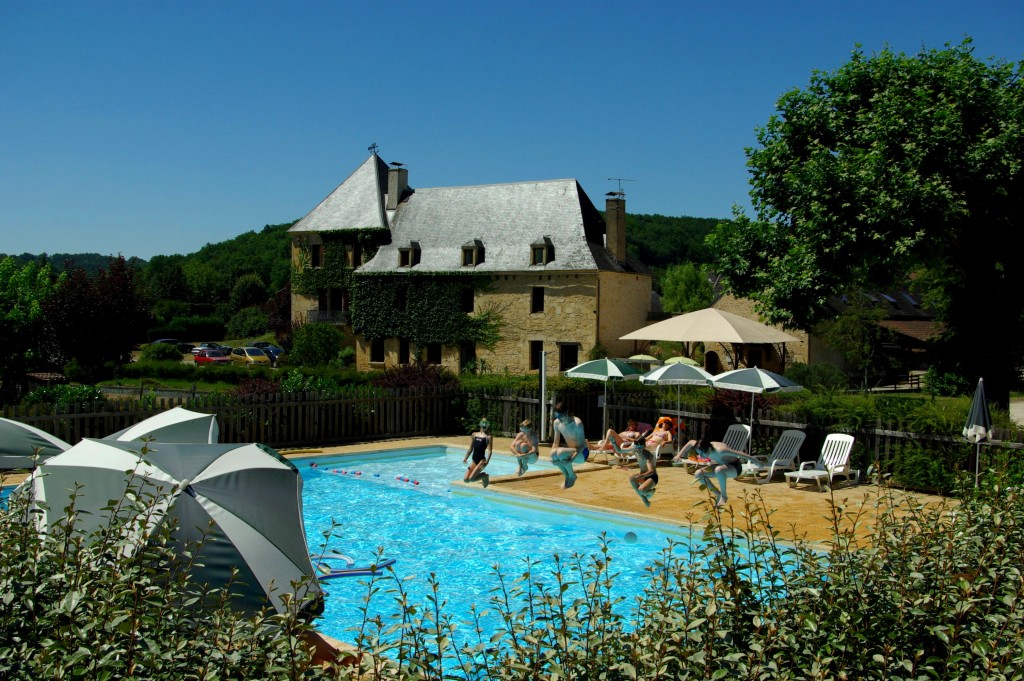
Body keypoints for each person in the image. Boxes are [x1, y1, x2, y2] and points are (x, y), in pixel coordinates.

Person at [688, 428, 758, 507]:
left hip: (735, 467)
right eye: (699, 453)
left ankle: (724, 496)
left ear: (709, 449)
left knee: (719, 469)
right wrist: (679, 455)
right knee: (698, 474)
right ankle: (717, 493)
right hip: (721, 466)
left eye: (702, 453)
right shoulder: (702, 445)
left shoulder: (721, 450)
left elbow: (741, 454)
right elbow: (691, 442)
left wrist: (758, 462)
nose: (701, 456)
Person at [550, 402, 586, 490]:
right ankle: (567, 476)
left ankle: (572, 475)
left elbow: (582, 446)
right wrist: (552, 457)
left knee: (561, 453)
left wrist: (571, 460)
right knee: (554, 453)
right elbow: (555, 442)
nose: (558, 419)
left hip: (582, 453)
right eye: (557, 416)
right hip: (571, 451)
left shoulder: (577, 424)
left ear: (566, 412)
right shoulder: (557, 423)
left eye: (560, 416)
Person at [463, 418, 493, 488]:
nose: (484, 425)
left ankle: (485, 476)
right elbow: (471, 448)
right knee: (466, 480)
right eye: (483, 423)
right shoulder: (474, 435)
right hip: (474, 460)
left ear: (488, 425)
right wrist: (466, 458)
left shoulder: (488, 437)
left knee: (471, 479)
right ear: (480, 424)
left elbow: (490, 451)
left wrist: (487, 462)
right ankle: (483, 476)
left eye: (486, 424)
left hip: (481, 461)